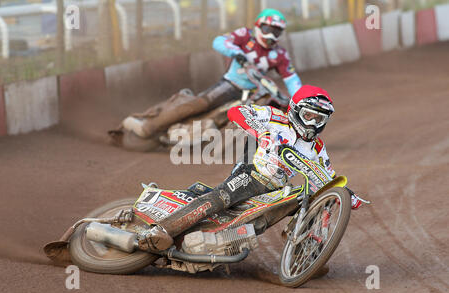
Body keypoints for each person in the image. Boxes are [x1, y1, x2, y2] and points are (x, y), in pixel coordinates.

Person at [141, 85, 366, 252]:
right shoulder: (275, 117)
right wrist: (260, 131)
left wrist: (348, 194)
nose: (312, 124)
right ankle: (162, 230)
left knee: (301, 202)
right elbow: (237, 112)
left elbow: (326, 176)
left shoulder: (317, 147)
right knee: (220, 198)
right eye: (308, 116)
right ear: (295, 110)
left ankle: (309, 251)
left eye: (319, 119)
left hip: (277, 190)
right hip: (253, 173)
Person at [123, 8, 302, 139]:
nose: (271, 36)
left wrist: (299, 101)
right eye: (268, 30)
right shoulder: (245, 35)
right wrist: (236, 52)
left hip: (256, 93)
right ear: (258, 26)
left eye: (276, 32)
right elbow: (219, 41)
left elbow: (292, 79)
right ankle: (148, 127)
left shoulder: (279, 54)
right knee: (199, 105)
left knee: (278, 109)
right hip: (231, 85)